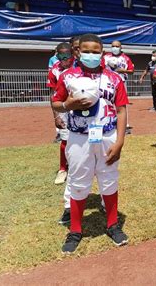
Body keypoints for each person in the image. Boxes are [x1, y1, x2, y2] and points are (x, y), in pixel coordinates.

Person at [51, 33, 129, 254]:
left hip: (107, 135)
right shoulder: (67, 76)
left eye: (96, 51)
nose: (91, 55)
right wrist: (68, 104)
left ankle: (113, 225)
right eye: (86, 50)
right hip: (79, 137)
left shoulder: (114, 78)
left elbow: (122, 109)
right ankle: (75, 230)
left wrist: (120, 140)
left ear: (102, 52)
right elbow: (56, 103)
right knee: (78, 182)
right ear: (78, 52)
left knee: (109, 179)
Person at [47, 43, 75, 185]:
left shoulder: (80, 67)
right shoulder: (54, 71)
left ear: (73, 55)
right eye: (61, 56)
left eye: (67, 56)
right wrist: (56, 116)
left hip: (79, 109)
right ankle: (63, 169)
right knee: (65, 139)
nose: (64, 59)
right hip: (63, 109)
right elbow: (52, 95)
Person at [103, 41, 135, 134]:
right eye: (113, 46)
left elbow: (131, 71)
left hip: (121, 82)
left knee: (122, 104)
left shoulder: (126, 58)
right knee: (106, 103)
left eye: (117, 46)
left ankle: (125, 125)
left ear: (121, 47)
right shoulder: (106, 57)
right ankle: (107, 122)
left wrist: (123, 71)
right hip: (108, 82)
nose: (115, 48)